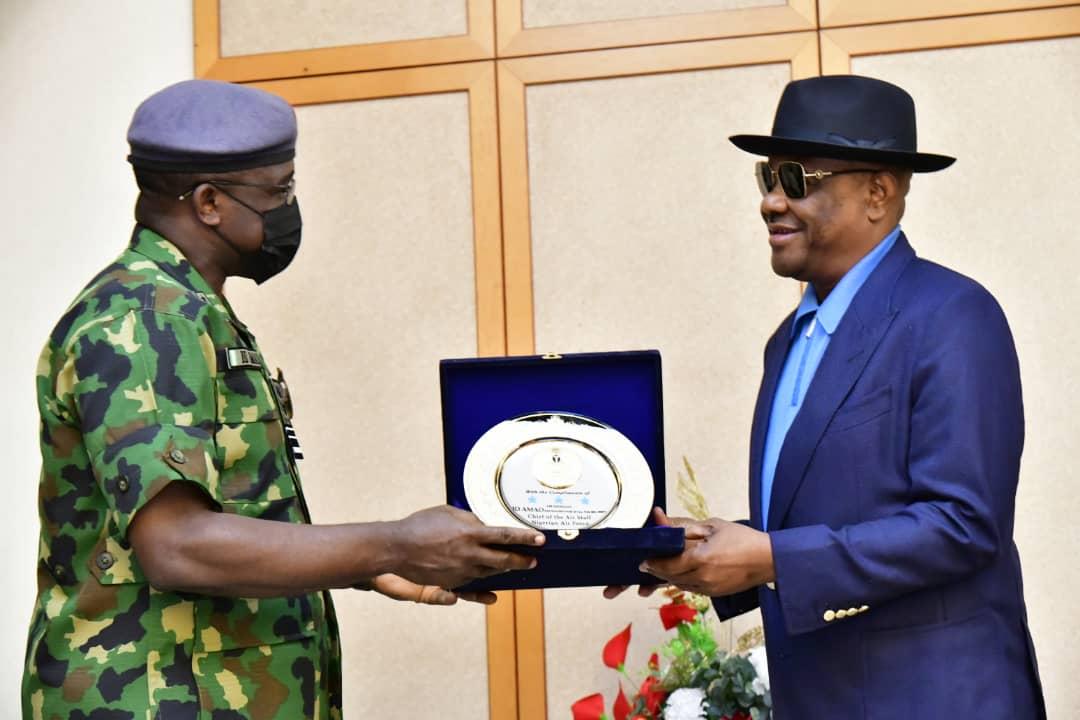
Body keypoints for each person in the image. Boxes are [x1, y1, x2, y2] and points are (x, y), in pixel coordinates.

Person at [22, 79, 544, 718]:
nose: (288, 209)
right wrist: (395, 544)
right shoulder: (144, 318)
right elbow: (177, 544)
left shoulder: (188, 310)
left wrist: (354, 565)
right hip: (161, 698)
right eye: (279, 191)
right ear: (209, 202)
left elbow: (226, 515)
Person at [616, 75, 1046, 717]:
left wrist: (768, 557)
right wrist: (700, 546)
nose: (769, 202)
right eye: (767, 178)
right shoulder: (785, 343)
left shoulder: (953, 315)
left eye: (797, 181)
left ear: (878, 192)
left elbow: (963, 525)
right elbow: (813, 519)